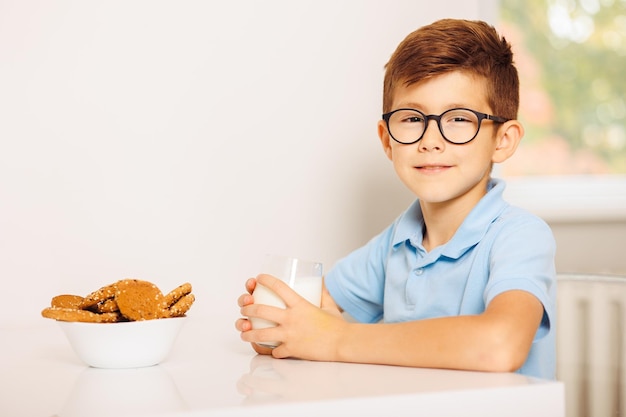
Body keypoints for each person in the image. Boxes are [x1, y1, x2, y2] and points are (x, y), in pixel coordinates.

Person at [235, 18, 557, 379]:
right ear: (387, 139)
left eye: (459, 119)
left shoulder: (519, 236)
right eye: (410, 118)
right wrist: (280, 328)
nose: (431, 139)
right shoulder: (395, 244)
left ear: (503, 140)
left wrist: (338, 339)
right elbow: (320, 315)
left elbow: (500, 345)